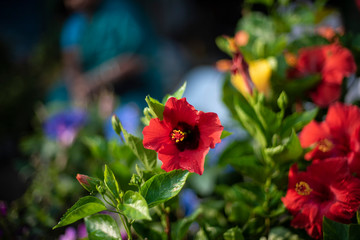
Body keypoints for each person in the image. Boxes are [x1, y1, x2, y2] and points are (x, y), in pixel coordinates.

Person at [55, 0, 163, 108]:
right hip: (94, 95)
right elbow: (71, 66)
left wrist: (94, 82)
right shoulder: (73, 27)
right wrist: (78, 91)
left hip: (132, 88)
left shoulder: (120, 11)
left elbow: (137, 61)